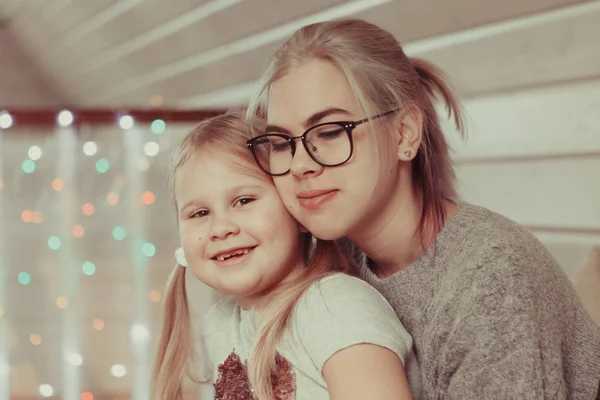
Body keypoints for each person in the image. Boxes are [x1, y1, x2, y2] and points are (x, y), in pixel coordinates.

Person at [245, 19, 600, 399]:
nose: (300, 165)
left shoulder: (492, 279)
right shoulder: (327, 259)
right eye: (281, 142)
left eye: (331, 132)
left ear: (405, 134)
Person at [152, 111, 420, 400]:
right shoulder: (221, 325)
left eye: (244, 200)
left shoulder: (333, 307)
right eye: (199, 213)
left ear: (299, 212)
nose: (220, 228)